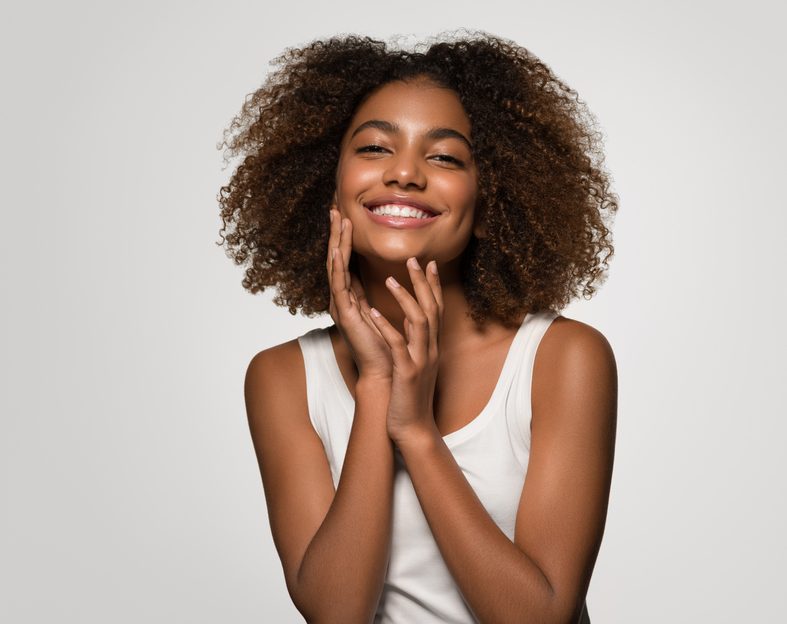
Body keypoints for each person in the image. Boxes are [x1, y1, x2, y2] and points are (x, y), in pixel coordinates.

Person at [219, 33, 618, 624]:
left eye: (445, 157)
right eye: (376, 148)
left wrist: (418, 432)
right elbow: (335, 613)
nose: (404, 173)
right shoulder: (281, 377)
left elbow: (541, 617)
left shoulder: (564, 359)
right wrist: (378, 383)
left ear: (487, 205)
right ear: (330, 188)